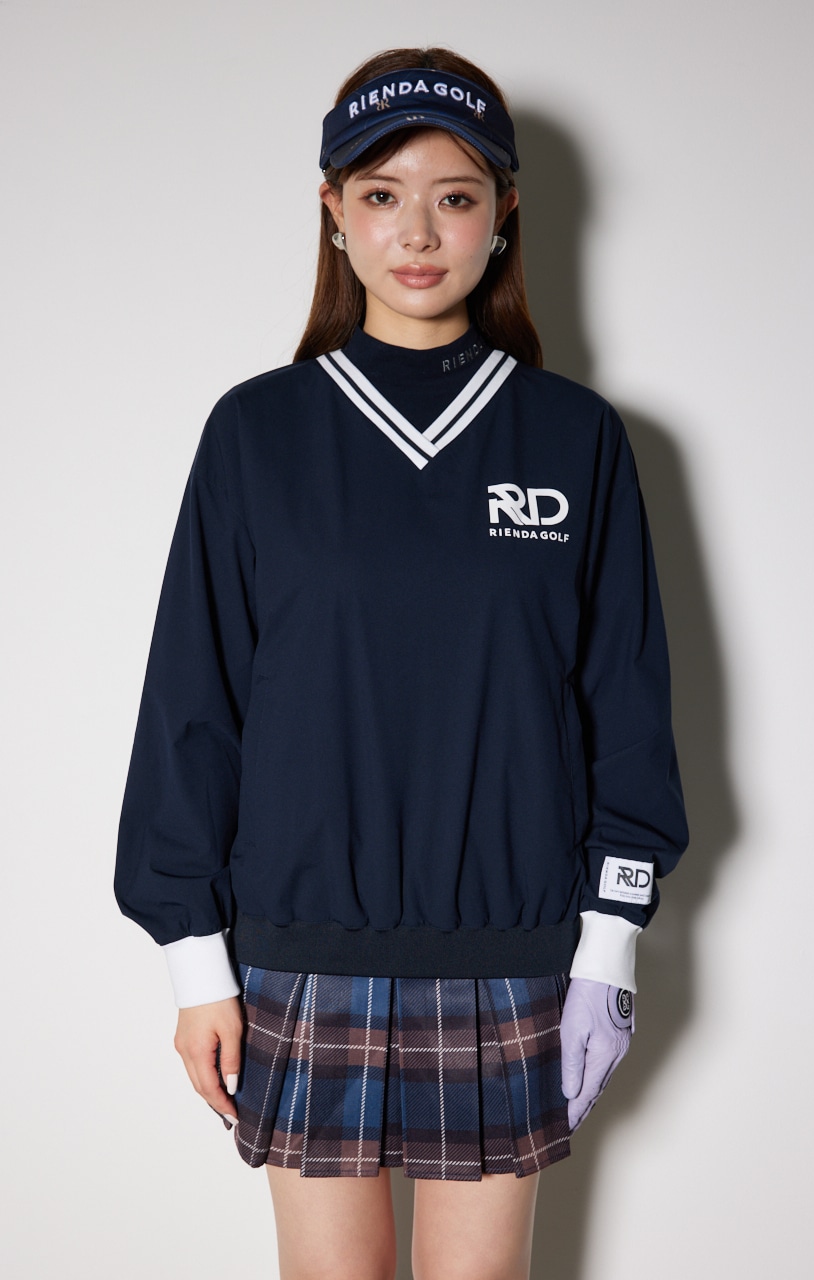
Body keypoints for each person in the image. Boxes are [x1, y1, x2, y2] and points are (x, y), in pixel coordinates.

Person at [115, 46, 688, 1280]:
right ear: (332, 211)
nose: (417, 232)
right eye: (380, 194)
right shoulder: (257, 433)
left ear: (504, 213)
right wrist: (195, 964)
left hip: (514, 954)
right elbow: (192, 707)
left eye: (454, 196)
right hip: (298, 956)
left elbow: (628, 708)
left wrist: (608, 947)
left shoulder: (576, 439)